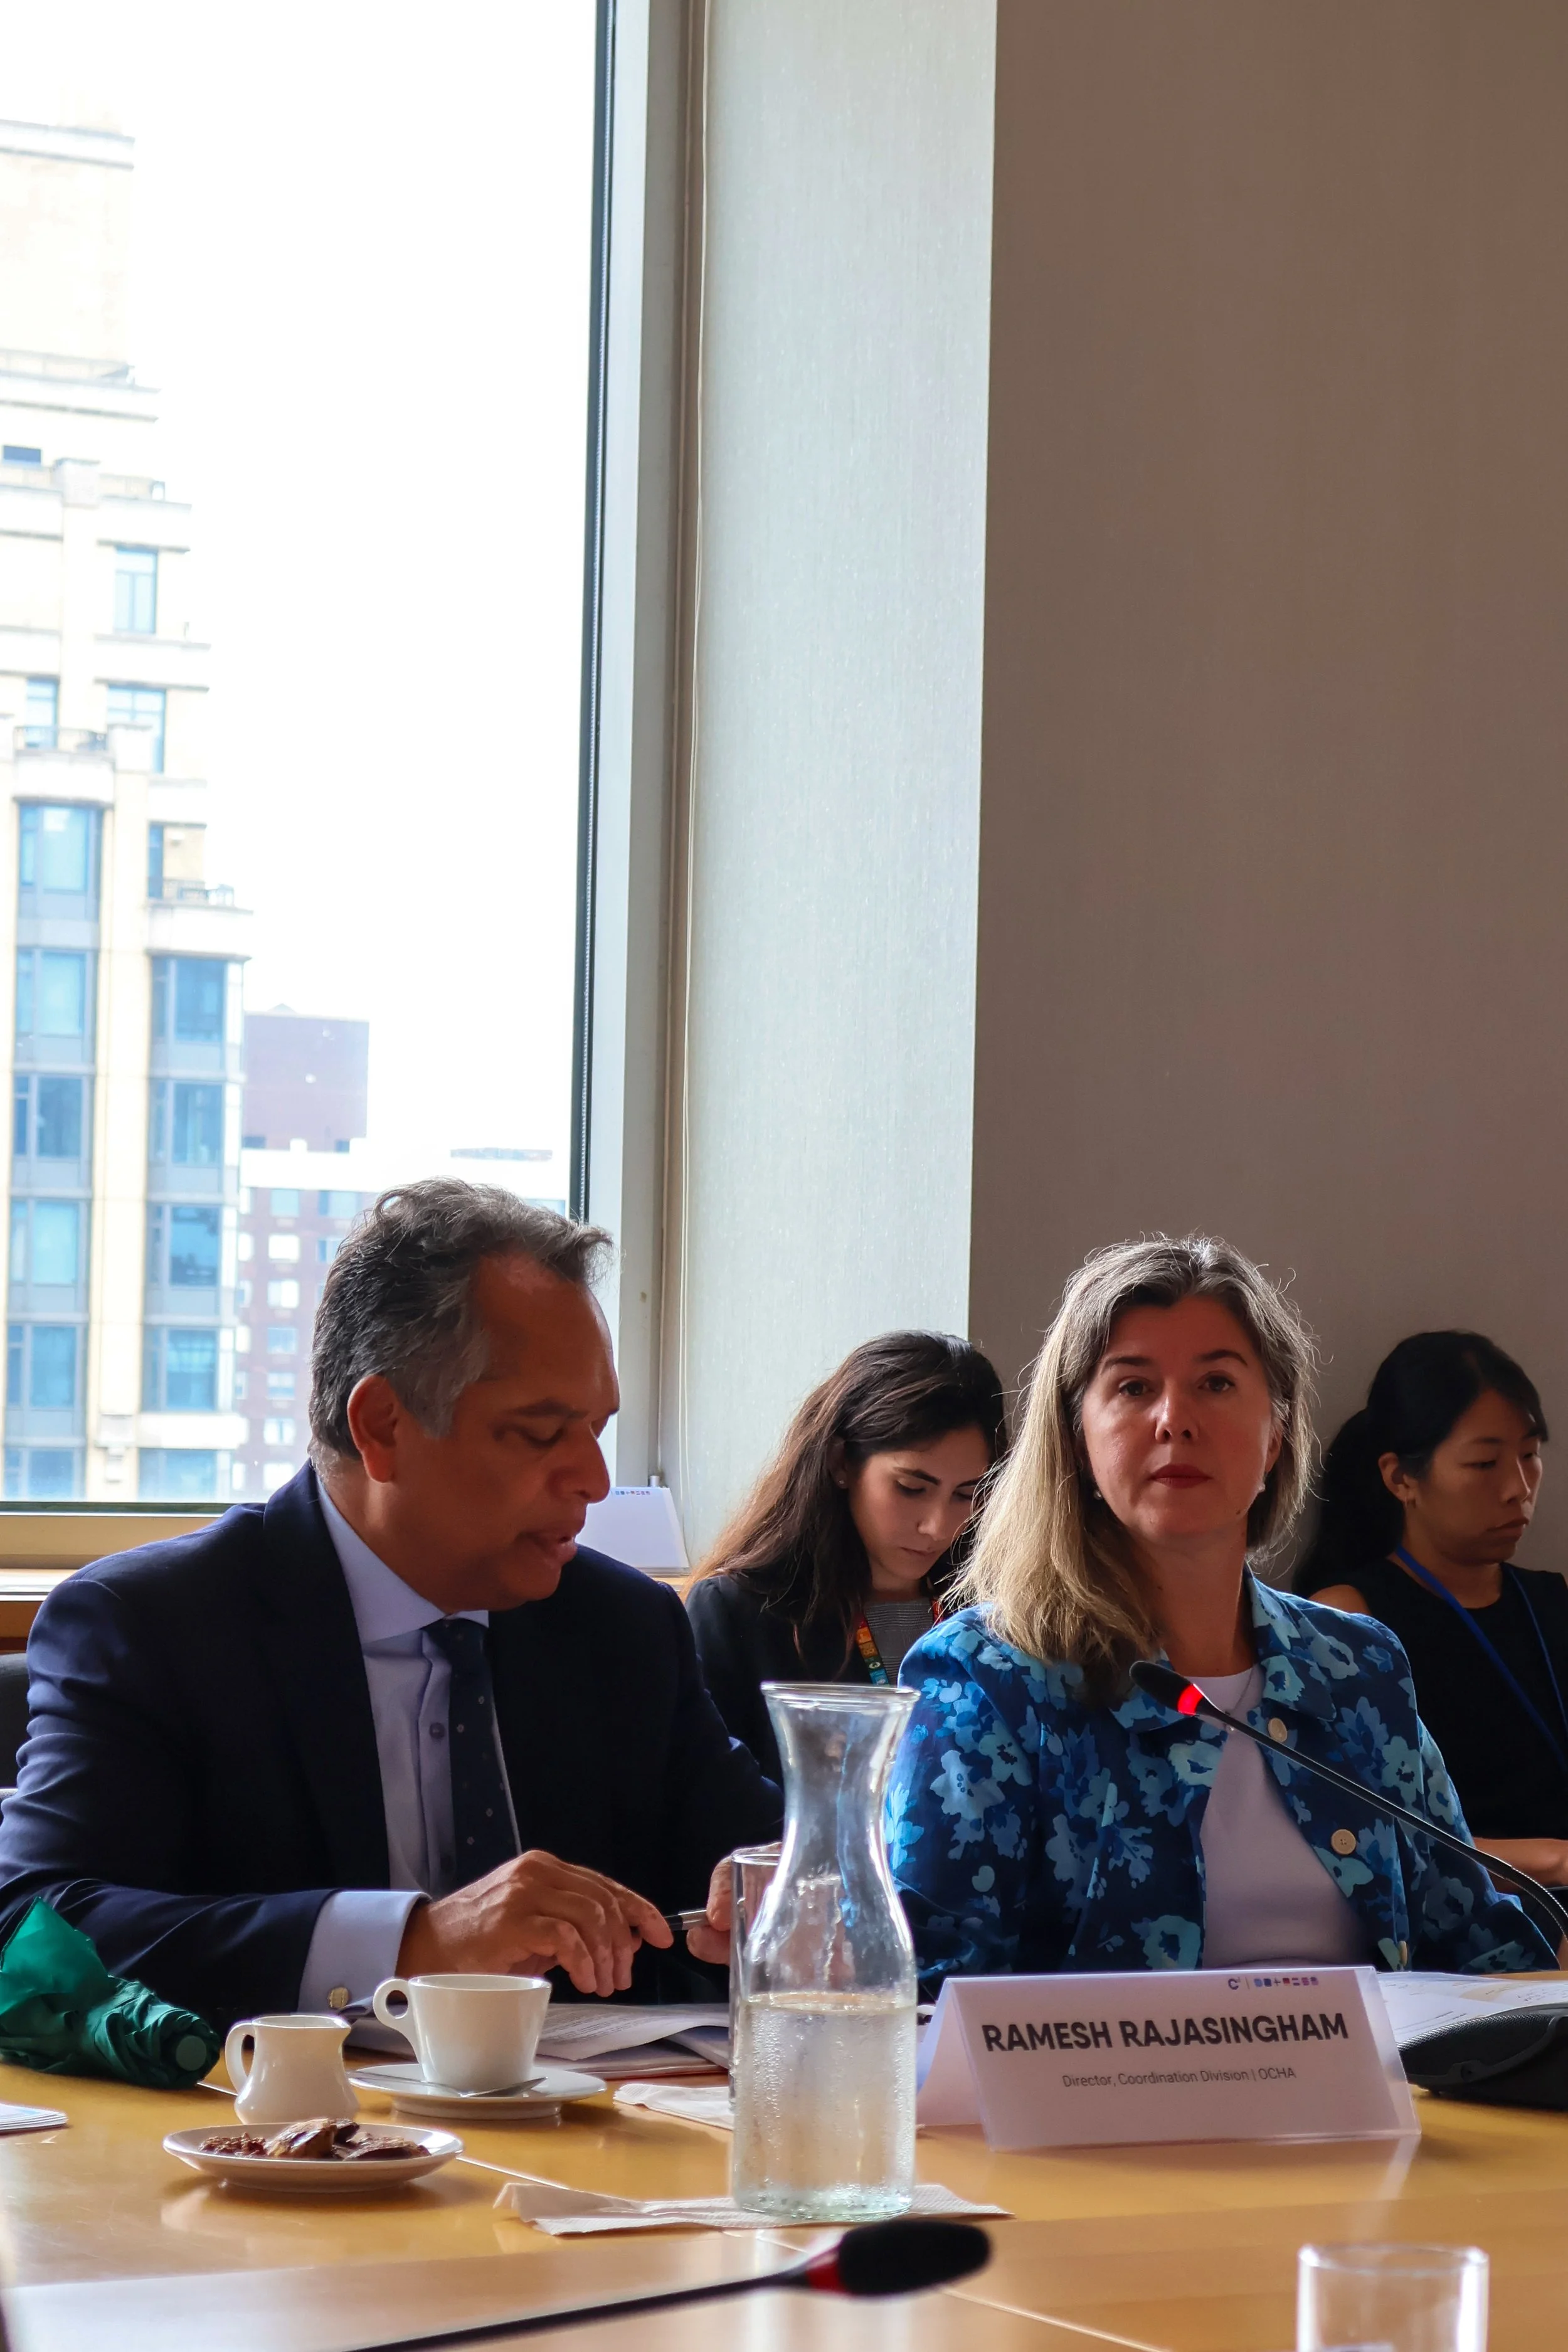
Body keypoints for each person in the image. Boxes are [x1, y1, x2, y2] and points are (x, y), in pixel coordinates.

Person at [0, 1182, 781, 2030]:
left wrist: (785, 1888)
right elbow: (34, 1928)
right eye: (539, 1432)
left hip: (589, 2140)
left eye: (597, 1429)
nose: (593, 1479)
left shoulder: (623, 1627)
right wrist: (411, 1943)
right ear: (381, 1425)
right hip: (275, 2140)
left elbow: (762, 1860)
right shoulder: (154, 1626)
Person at [887, 1236, 1554, 1990]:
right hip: (1113, 2107)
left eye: (1216, 1383)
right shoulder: (988, 1675)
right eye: (1133, 1388)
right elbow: (921, 1997)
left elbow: (1480, 1946)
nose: (1176, 1419)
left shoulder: (1358, 1667)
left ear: (1276, 1434)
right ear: (1077, 1440)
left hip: (1375, 2103)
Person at [1298, 1331, 1568, 1890]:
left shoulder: (1553, 1601)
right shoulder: (1349, 1623)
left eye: (1530, 1456)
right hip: (1464, 1935)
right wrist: (1555, 1863)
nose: (1518, 1488)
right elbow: (1359, 1832)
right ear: (1401, 1478)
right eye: (1485, 1463)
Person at [686, 1333, 1006, 1783]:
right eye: (912, 1488)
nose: (937, 1526)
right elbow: (712, 1812)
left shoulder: (994, 1614)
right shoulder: (738, 1613)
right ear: (840, 1462)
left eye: (966, 1494)